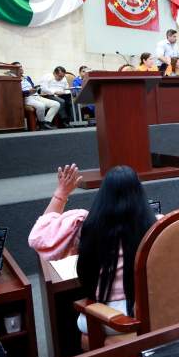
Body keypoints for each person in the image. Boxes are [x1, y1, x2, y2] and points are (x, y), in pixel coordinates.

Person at [28, 164, 157, 334]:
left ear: (103, 194)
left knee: (80, 320)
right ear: (140, 192)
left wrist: (61, 193)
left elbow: (39, 237)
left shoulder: (85, 225)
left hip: (109, 319)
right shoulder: (156, 227)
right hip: (149, 313)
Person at [13, 62, 59, 129]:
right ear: (14, 70)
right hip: (26, 98)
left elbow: (32, 86)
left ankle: (46, 122)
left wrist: (35, 89)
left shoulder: (27, 77)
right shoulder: (13, 79)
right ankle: (42, 123)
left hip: (36, 95)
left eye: (21, 67)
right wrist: (28, 92)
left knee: (56, 104)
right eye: (18, 67)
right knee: (41, 106)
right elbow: (16, 93)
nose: (21, 68)